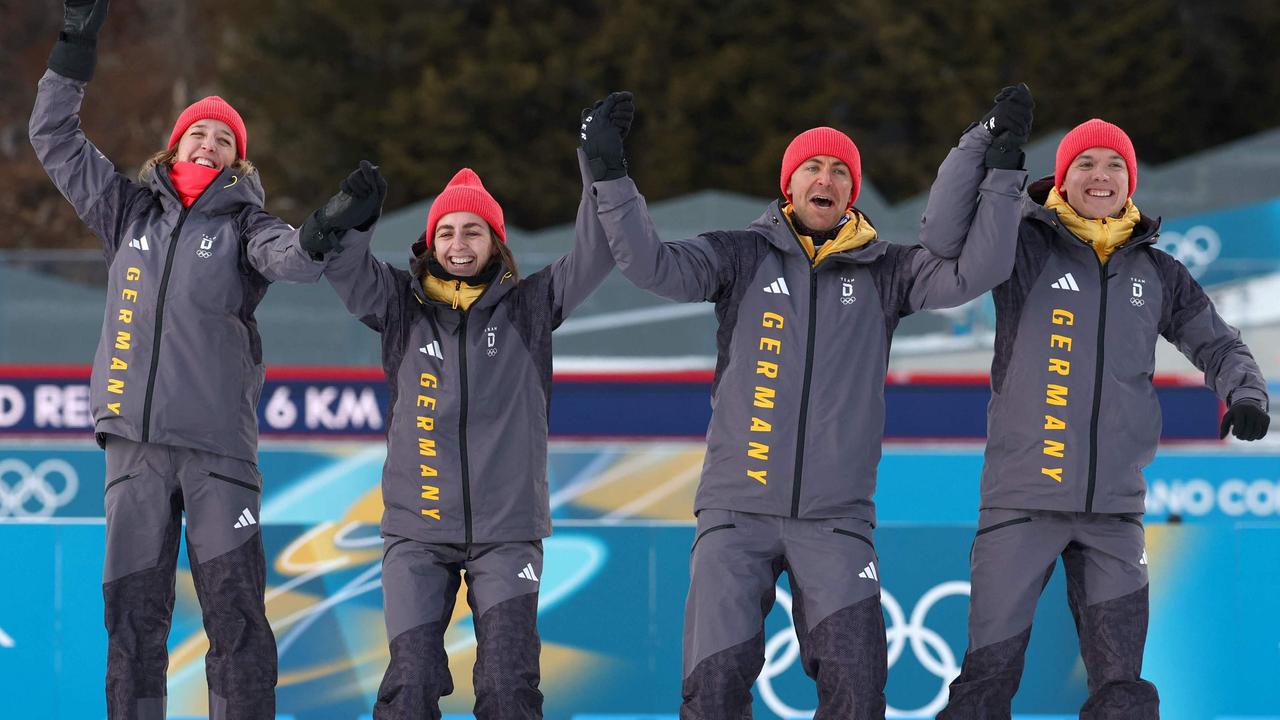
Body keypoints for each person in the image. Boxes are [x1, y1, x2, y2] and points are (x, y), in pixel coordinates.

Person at [581, 87, 1032, 716]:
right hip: (736, 512)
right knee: (713, 688)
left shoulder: (886, 270)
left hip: (835, 519)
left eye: (841, 170)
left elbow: (973, 272)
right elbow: (650, 265)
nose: (827, 178)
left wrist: (996, 165)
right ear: (788, 185)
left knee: (857, 689)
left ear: (852, 192)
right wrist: (608, 173)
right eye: (813, 167)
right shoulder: (740, 255)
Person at [29, 2, 379, 717]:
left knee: (236, 619)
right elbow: (53, 136)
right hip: (134, 447)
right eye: (199, 133)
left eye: (224, 140)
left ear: (235, 161)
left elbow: (295, 260)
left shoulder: (250, 225)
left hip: (218, 452)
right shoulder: (127, 211)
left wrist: (327, 226)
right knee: (132, 623)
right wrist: (74, 45)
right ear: (175, 146)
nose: (209, 144)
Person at [935, 119, 1270, 718]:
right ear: (1062, 178)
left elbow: (1220, 344)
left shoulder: (1158, 272)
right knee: (987, 678)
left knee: (1122, 686)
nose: (1101, 175)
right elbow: (944, 232)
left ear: (1130, 181)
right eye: (1085, 163)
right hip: (1022, 502)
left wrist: (1245, 394)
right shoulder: (1022, 246)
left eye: (1115, 164)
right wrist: (987, 150)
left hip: (1113, 512)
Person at [319, 99, 625, 718]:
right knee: (409, 687)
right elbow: (345, 270)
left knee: (510, 689)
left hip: (507, 533)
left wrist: (599, 167)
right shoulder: (400, 305)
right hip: (417, 532)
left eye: (473, 231)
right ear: (430, 242)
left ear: (496, 242)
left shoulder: (530, 307)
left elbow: (595, 252)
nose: (459, 244)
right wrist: (357, 220)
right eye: (447, 232)